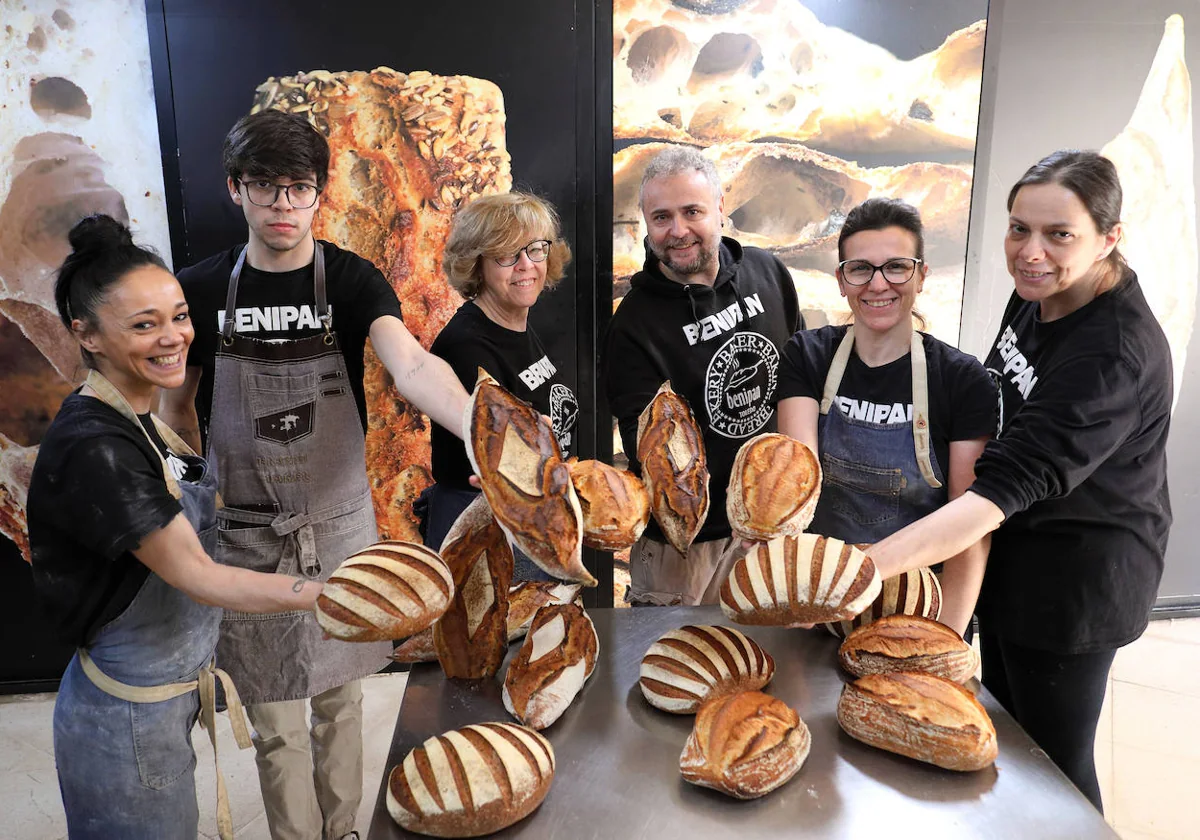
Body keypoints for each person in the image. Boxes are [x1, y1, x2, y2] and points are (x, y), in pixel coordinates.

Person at [157, 110, 471, 840]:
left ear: (320, 193)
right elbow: (177, 406)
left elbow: (413, 365)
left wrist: (484, 432)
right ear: (235, 190)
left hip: (337, 526)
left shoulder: (352, 280)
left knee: (339, 704)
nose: (282, 207)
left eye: (298, 189)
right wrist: (189, 495)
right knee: (273, 719)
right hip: (244, 534)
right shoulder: (201, 289)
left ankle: (344, 831)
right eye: (264, 188)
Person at [864, 150, 1172, 812]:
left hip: (1076, 581)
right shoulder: (1042, 288)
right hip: (1016, 546)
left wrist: (860, 570)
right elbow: (997, 390)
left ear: (1109, 238)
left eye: (1059, 234)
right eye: (1017, 228)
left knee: (1053, 767)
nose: (1029, 252)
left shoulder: (1111, 356)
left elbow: (994, 495)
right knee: (1001, 727)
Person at [29, 215, 326, 840]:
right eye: (144, 325)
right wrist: (330, 594)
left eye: (179, 316)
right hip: (125, 721)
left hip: (167, 705)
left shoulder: (142, 418)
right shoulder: (95, 447)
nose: (174, 337)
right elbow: (196, 575)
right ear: (87, 335)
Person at [775, 198, 995, 636]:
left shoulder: (960, 378)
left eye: (896, 266)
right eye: (860, 268)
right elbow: (795, 490)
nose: (878, 284)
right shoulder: (808, 356)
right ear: (841, 280)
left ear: (922, 276)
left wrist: (946, 640)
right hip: (818, 603)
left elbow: (969, 529)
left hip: (915, 612)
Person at [603, 145, 802, 606]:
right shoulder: (633, 326)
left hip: (774, 524)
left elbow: (798, 384)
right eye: (661, 217)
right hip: (686, 550)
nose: (678, 231)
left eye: (692, 211)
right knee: (680, 669)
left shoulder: (768, 272)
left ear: (720, 208)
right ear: (646, 224)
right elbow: (649, 451)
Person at [417, 191, 576, 580]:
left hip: (530, 521)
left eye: (536, 250)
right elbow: (506, 462)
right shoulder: (467, 344)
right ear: (478, 264)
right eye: (507, 255)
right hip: (488, 528)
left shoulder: (513, 319)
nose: (526, 266)